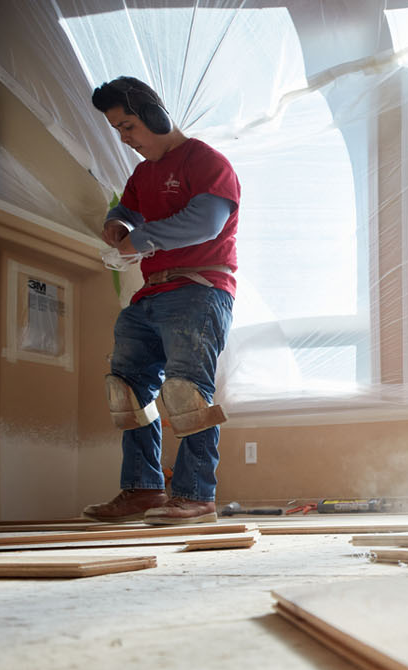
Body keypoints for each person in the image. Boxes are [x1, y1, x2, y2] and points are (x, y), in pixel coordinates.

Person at [81, 76, 240, 525]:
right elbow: (125, 208)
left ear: (155, 115)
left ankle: (196, 494)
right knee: (126, 391)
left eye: (128, 125)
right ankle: (143, 489)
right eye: (117, 129)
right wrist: (116, 223)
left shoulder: (207, 162)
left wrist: (141, 238)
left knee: (186, 392)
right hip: (151, 293)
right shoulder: (143, 173)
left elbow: (206, 222)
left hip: (199, 289)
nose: (124, 138)